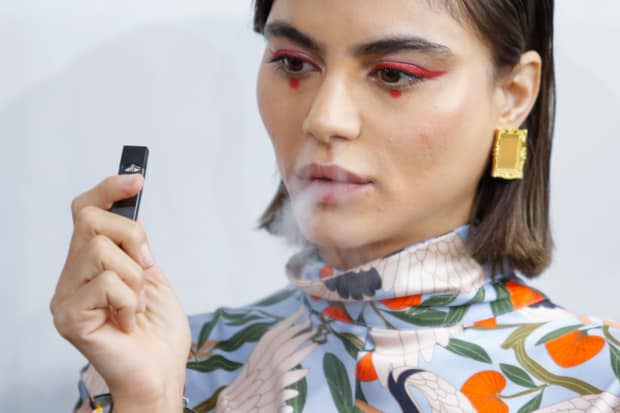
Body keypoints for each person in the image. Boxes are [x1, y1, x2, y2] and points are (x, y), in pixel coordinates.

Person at [51, 0, 620, 412]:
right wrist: (147, 400)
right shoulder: (175, 363)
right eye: (294, 63)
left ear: (514, 96)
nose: (324, 118)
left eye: (395, 73)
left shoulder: (598, 382)